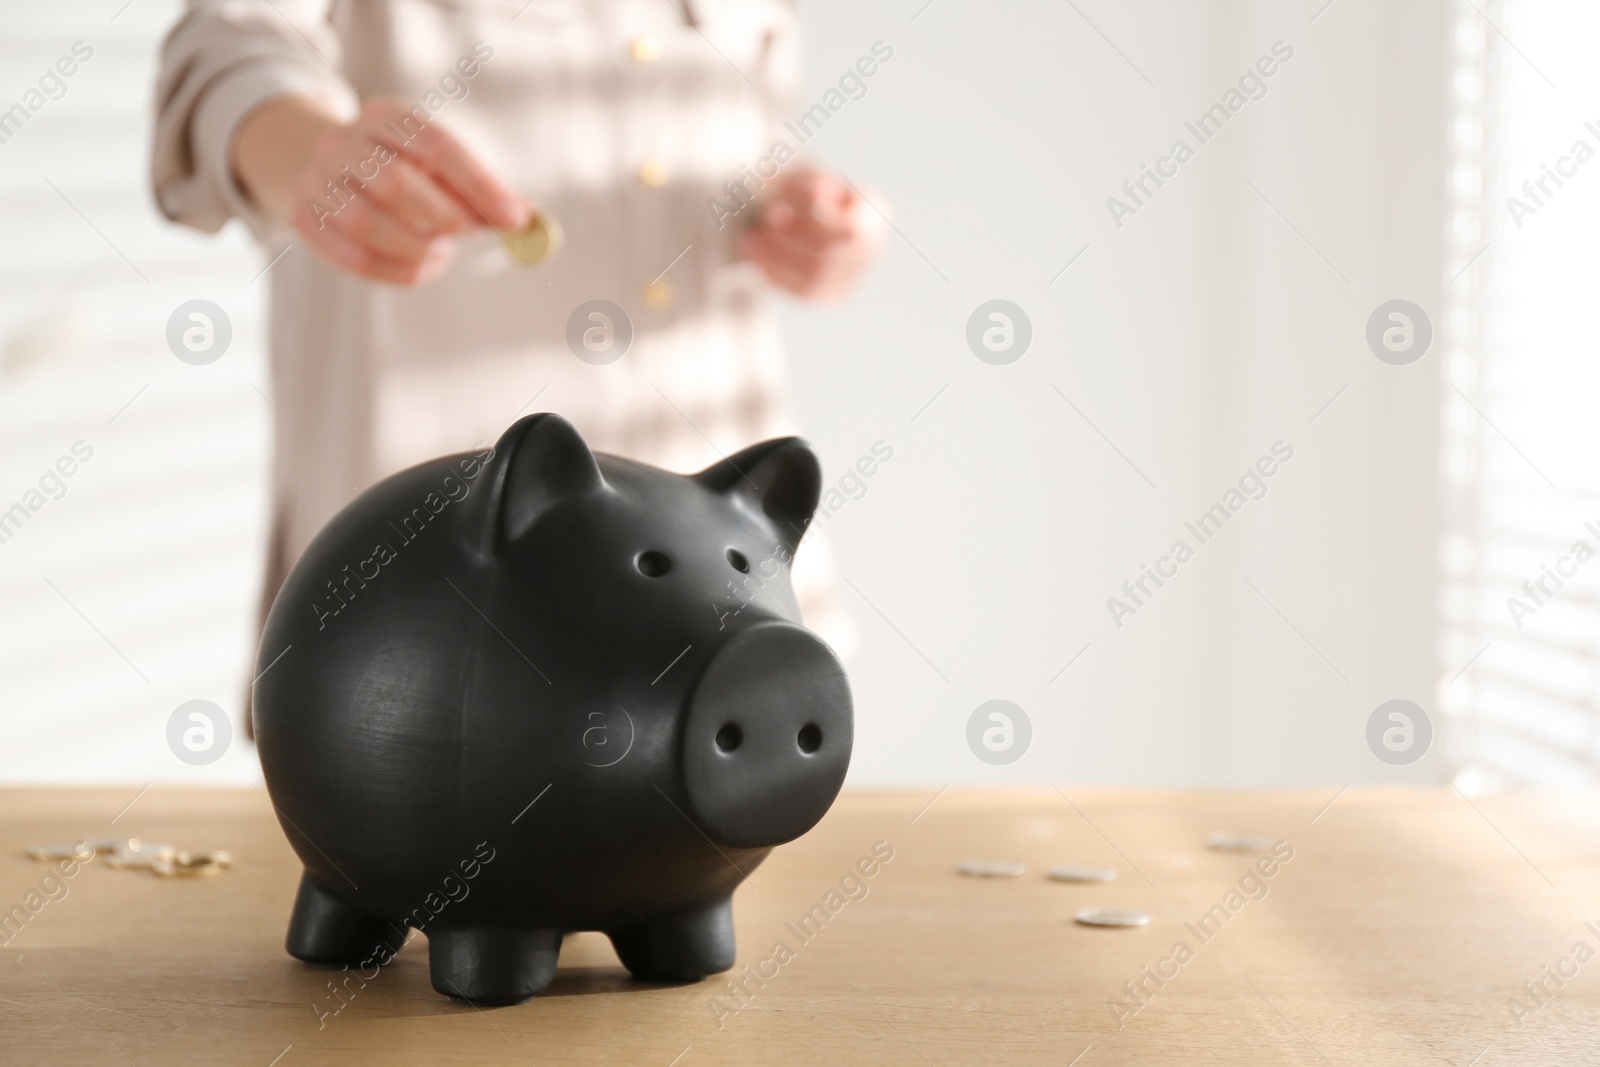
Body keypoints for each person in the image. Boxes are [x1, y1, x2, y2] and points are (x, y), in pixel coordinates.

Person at [150, 0, 887, 680]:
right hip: (432, 625)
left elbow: (750, 130)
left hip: (731, 604)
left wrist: (811, 217)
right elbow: (224, 48)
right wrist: (307, 152)